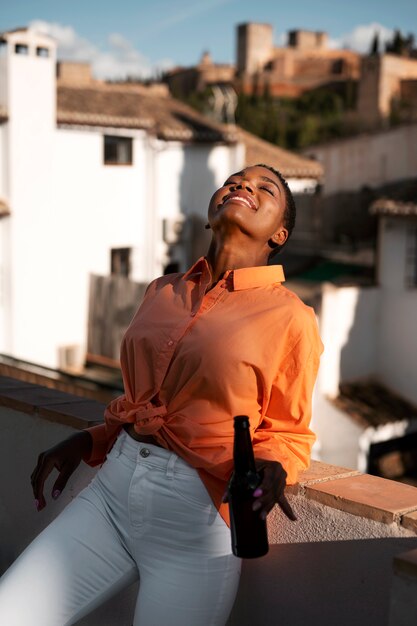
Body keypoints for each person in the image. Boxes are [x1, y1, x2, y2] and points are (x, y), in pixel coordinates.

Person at [0, 164, 323, 626]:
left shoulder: (291, 318)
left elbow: (289, 431)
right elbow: (146, 403)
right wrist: (92, 440)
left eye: (264, 188)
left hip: (195, 523)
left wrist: (273, 467)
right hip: (111, 495)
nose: (242, 186)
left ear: (280, 234)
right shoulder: (162, 290)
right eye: (234, 179)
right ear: (212, 213)